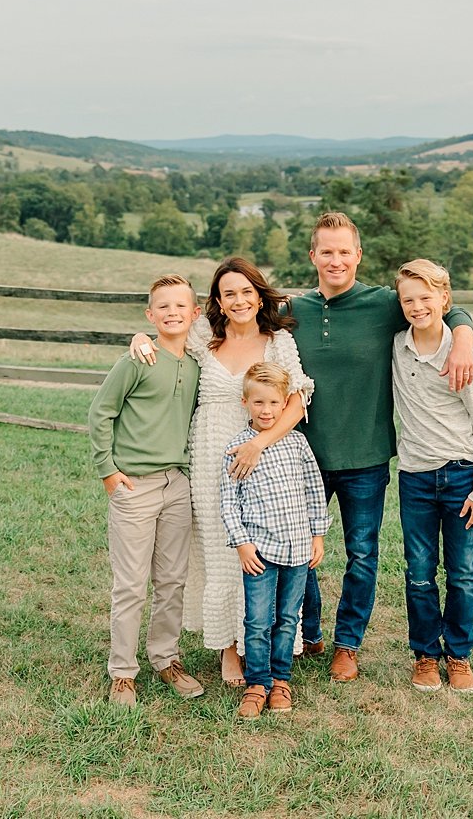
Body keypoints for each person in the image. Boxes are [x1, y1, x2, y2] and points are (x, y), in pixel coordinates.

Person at [292, 211, 473, 682]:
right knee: (298, 550)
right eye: (326, 251)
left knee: (362, 554)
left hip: (367, 458)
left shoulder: (383, 304)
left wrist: (464, 341)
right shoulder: (292, 310)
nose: (336, 260)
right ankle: (308, 630)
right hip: (302, 456)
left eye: (344, 251)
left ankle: (347, 645)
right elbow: (231, 322)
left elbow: (443, 307)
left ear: (359, 255)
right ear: (313, 255)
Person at [130, 258, 312, 686]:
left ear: (258, 294)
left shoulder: (278, 341)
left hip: (265, 453)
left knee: (261, 550)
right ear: (217, 301)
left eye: (246, 291)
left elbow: (299, 399)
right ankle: (229, 649)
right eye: (229, 293)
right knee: (220, 551)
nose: (239, 300)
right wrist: (139, 336)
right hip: (210, 453)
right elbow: (164, 334)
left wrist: (257, 444)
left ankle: (261, 644)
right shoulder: (203, 336)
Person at [88, 274, 206, 706]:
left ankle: (166, 658)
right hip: (134, 485)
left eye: (181, 306)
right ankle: (122, 672)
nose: (173, 313)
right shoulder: (137, 360)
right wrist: (108, 471)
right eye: (163, 307)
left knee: (172, 580)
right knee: (131, 584)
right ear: (150, 314)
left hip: (177, 484)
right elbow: (101, 412)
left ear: (195, 314)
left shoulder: (196, 363)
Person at [391, 258, 473, 694]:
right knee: (418, 570)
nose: (417, 306)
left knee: (462, 571)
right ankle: (424, 654)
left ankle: (458, 655)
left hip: (461, 476)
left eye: (426, 298)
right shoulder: (396, 347)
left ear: (445, 300)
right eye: (408, 300)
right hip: (415, 477)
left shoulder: (462, 355)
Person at [219, 362, 328, 719]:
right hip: (260, 552)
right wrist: (242, 543)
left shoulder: (296, 443)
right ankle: (257, 683)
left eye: (274, 404)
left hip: (298, 549)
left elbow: (314, 489)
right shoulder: (237, 448)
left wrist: (318, 536)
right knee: (258, 620)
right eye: (259, 403)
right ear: (245, 402)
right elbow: (228, 501)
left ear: (285, 405)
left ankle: (281, 679)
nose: (266, 411)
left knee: (286, 617)